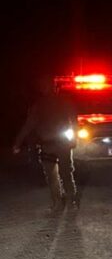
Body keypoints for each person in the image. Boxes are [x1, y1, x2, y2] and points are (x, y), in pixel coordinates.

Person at [12, 76, 79, 211]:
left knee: (53, 175)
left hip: (49, 145)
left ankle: (59, 203)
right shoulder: (62, 101)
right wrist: (74, 138)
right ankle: (69, 202)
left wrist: (17, 144)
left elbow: (28, 126)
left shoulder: (39, 104)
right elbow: (74, 121)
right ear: (54, 87)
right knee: (65, 173)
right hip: (60, 144)